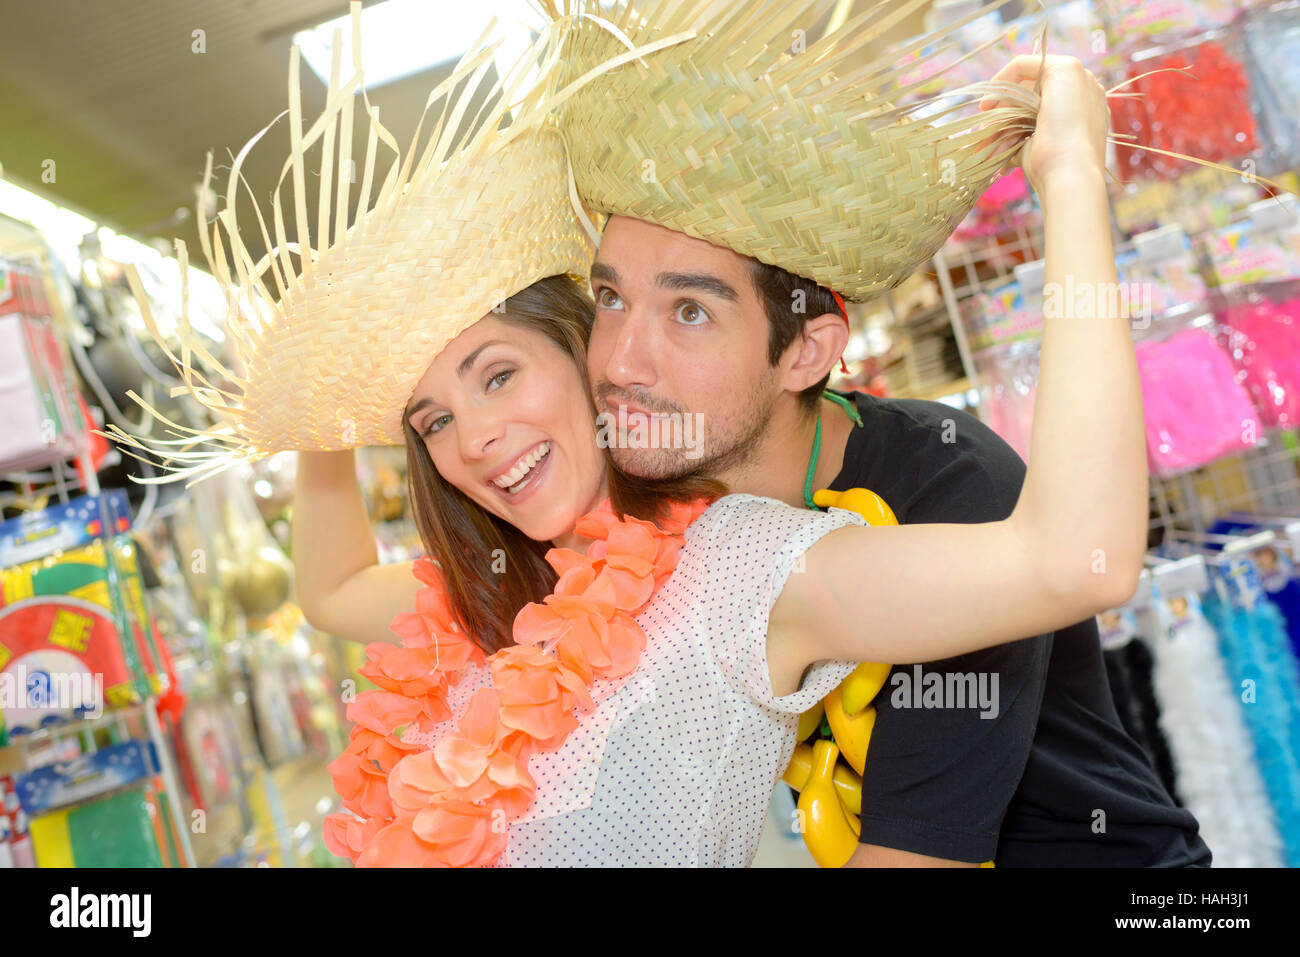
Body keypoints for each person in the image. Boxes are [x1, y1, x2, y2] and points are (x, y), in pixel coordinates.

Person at [106, 3, 1170, 867]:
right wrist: (333, 397)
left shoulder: (765, 553)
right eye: (612, 300)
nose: (626, 355)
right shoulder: (518, 577)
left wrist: (1072, 182)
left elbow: (1071, 563)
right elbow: (338, 593)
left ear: (805, 352)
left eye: (690, 311)